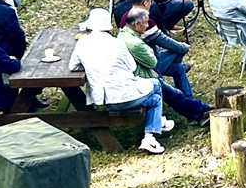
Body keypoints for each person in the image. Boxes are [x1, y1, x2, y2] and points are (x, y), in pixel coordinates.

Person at [68, 8, 171, 154]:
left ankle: (157, 124)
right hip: (125, 94)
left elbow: (73, 66)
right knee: (156, 86)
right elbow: (132, 66)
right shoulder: (117, 43)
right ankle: (151, 133)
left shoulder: (82, 43)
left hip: (103, 98)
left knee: (155, 98)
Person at [119, 7, 211, 125]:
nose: (148, 25)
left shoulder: (126, 33)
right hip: (145, 77)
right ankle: (200, 112)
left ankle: (198, 111)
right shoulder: (135, 43)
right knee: (174, 95)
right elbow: (153, 62)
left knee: (177, 70)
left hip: (145, 73)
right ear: (137, 23)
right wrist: (151, 51)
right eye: (146, 22)